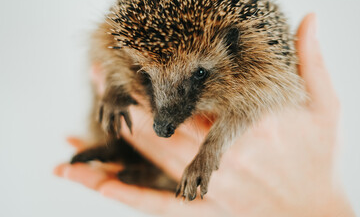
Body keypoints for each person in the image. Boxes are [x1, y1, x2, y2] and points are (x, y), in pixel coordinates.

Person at [54, 14, 355, 217]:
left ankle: (152, 171)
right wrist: (116, 91)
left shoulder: (253, 65)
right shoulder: (127, 46)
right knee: (112, 88)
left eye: (197, 74)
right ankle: (125, 151)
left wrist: (208, 153)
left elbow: (250, 106)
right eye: (147, 74)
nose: (164, 119)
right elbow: (111, 58)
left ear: (232, 47)